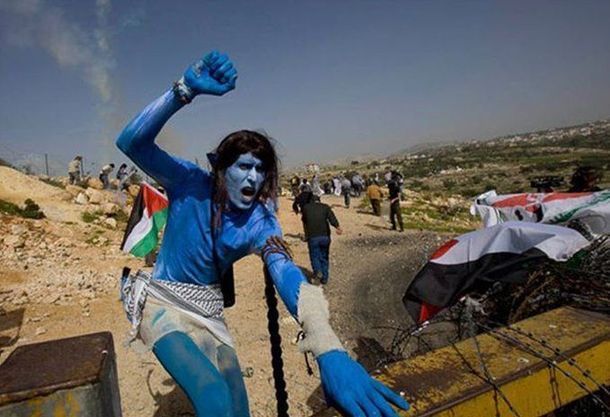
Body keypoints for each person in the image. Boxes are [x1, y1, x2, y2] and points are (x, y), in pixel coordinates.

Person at [116, 51, 409, 417]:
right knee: (214, 398)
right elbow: (131, 143)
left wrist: (329, 348)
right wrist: (185, 89)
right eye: (243, 166)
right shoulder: (188, 182)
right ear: (221, 169)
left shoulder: (260, 222)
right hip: (163, 300)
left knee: (239, 408)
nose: (253, 178)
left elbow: (286, 272)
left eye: (260, 169)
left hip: (209, 309)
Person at [301, 195, 342, 284]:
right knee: (324, 256)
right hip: (325, 237)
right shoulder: (325, 207)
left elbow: (304, 221)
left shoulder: (306, 208)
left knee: (315, 256)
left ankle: (318, 271)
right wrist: (337, 227)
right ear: (319, 200)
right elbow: (332, 218)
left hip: (313, 237)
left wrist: (306, 234)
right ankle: (325, 278)